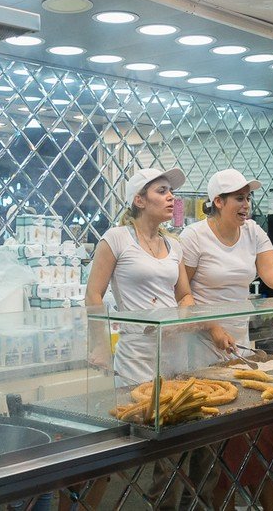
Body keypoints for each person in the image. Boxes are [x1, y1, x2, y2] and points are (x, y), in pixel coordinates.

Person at [180, 168, 273, 511]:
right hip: (200, 343)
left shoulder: (253, 232)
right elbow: (183, 296)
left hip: (238, 344)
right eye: (239, 198)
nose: (247, 204)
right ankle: (210, 499)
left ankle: (232, 495)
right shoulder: (194, 236)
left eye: (248, 197)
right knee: (213, 438)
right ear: (218, 202)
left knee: (242, 433)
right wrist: (213, 327)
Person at [84, 166, 202, 511]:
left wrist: (183, 318)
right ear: (139, 200)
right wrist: (100, 346)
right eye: (161, 191)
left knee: (172, 446)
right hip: (136, 354)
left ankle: (162, 505)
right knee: (131, 438)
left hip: (175, 353)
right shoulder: (117, 239)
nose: (171, 197)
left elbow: (184, 295)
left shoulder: (174, 245)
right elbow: (93, 295)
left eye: (171, 191)